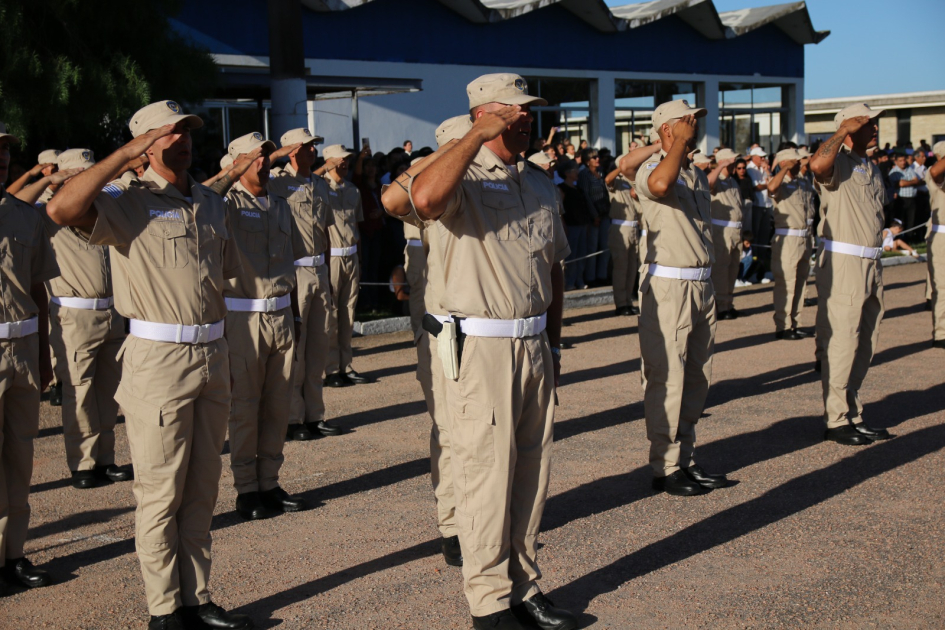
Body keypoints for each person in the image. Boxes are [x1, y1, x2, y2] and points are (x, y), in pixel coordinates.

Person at [47, 100, 257, 630]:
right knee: (160, 490)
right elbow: (63, 210)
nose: (183, 141)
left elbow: (224, 278)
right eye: (169, 135)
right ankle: (165, 608)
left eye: (187, 132)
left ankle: (198, 597)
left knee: (203, 486)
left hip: (210, 352)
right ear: (146, 144)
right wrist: (124, 156)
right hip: (157, 360)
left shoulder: (210, 202)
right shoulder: (127, 202)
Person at [404, 73, 576, 630]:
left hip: (531, 345)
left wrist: (553, 342)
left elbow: (553, 268)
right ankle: (488, 602)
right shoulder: (460, 175)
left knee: (532, 471)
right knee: (484, 476)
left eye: (531, 111)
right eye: (517, 111)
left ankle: (525, 586)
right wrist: (475, 139)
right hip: (477, 347)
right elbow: (424, 198)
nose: (528, 119)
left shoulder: (541, 182)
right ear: (485, 114)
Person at [381, 116, 473, 569]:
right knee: (450, 429)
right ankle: (453, 523)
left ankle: (483, 517)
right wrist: (444, 155)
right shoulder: (427, 184)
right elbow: (395, 201)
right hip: (440, 328)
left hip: (484, 328)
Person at [630, 99, 727, 497]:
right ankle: (665, 466)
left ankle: (685, 458)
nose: (694, 127)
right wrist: (673, 148)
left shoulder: (694, 174)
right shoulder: (654, 169)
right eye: (687, 122)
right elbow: (658, 187)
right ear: (667, 130)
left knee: (696, 378)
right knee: (667, 378)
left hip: (701, 284)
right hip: (669, 287)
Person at [21, 149, 134, 490]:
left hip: (112, 310)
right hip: (74, 314)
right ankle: (83, 461)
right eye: (78, 175)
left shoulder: (103, 210)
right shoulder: (45, 214)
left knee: (107, 390)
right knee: (79, 390)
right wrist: (42, 180)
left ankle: (106, 458)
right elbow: (15, 207)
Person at [222, 132, 309, 521]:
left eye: (267, 156)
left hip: (280, 314)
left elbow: (289, 262)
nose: (265, 162)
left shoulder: (280, 204)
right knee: (245, 406)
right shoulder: (225, 204)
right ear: (237, 162)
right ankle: (246, 488)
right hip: (243, 317)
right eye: (256, 157)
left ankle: (270, 481)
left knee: (278, 405)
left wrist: (294, 313)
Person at [808, 103, 892, 447]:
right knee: (842, 342)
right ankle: (836, 418)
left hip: (871, 262)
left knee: (865, 342)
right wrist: (843, 131)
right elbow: (817, 164)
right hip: (844, 263)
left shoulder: (868, 165)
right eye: (868, 123)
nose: (875, 128)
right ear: (850, 127)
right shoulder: (837, 162)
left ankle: (852, 413)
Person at [0, 122, 58, 595]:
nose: (2, 157)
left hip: (20, 348)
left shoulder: (25, 216)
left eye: (4, 150)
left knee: (20, 458)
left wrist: (43, 356)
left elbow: (38, 287)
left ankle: (12, 555)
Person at [269, 128, 342, 439]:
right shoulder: (277, 182)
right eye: (307, 147)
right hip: (294, 272)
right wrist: (275, 158)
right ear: (291, 150)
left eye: (314, 146)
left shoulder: (320, 185)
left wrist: (327, 272)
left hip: (319, 271)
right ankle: (292, 418)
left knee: (319, 346)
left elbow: (325, 232)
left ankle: (315, 414)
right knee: (294, 349)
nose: (314, 151)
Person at [321, 145, 368, 390]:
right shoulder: (320, 188)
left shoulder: (352, 190)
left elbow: (356, 228)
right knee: (331, 315)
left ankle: (345, 365)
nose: (345, 164)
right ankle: (330, 368)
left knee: (348, 313)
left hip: (350, 256)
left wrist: (359, 259)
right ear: (328, 161)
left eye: (347, 160)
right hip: (332, 258)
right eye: (340, 160)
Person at [768, 148, 816, 340]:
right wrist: (782, 169)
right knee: (786, 283)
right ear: (784, 163)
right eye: (796, 161)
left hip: (805, 236)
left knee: (800, 283)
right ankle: (783, 325)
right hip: (787, 237)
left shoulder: (802, 182)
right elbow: (771, 188)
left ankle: (795, 323)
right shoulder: (780, 182)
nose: (800, 163)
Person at [708, 148, 744, 320]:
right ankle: (721, 306)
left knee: (733, 268)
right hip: (722, 230)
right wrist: (720, 165)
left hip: (736, 229)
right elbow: (709, 184)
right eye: (731, 161)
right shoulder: (717, 180)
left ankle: (728, 302)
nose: (734, 164)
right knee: (721, 269)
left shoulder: (732, 181)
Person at [606, 153, 642, 316]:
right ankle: (620, 303)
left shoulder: (632, 181)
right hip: (621, 226)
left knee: (632, 268)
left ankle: (628, 300)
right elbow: (607, 181)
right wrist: (621, 168)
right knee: (621, 268)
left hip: (635, 227)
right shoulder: (618, 180)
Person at [558, 162, 595, 291]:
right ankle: (569, 282)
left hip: (582, 225)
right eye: (574, 170)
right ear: (567, 173)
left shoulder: (578, 189)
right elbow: (560, 209)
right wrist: (563, 225)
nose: (577, 173)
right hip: (571, 225)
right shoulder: (561, 188)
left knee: (582, 254)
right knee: (572, 256)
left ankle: (580, 280)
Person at [578, 148, 610, 287]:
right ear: (587, 160)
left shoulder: (602, 172)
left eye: (597, 157)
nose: (597, 159)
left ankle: (602, 275)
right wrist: (594, 215)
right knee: (592, 248)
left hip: (605, 214)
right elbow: (585, 195)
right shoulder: (584, 174)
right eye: (594, 157)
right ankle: (590, 277)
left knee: (605, 246)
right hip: (592, 216)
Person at [927, 142, 945, 348]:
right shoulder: (935, 175)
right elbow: (936, 171)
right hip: (942, 236)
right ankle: (941, 333)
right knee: (942, 286)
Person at [746, 146, 773, 246]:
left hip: (767, 203)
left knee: (765, 231)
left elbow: (773, 184)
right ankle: (755, 255)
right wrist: (767, 184)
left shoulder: (763, 168)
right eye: (760, 157)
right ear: (754, 157)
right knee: (755, 231)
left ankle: (762, 257)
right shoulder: (750, 169)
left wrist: (767, 171)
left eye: (763, 157)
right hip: (757, 204)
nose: (763, 159)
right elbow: (756, 187)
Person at [889, 153, 921, 232]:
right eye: (900, 161)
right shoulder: (894, 172)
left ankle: (909, 237)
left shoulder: (909, 169)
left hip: (912, 198)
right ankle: (901, 238)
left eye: (904, 160)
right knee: (901, 219)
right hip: (901, 199)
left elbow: (917, 180)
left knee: (911, 219)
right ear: (896, 162)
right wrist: (911, 182)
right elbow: (900, 184)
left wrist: (905, 182)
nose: (903, 162)